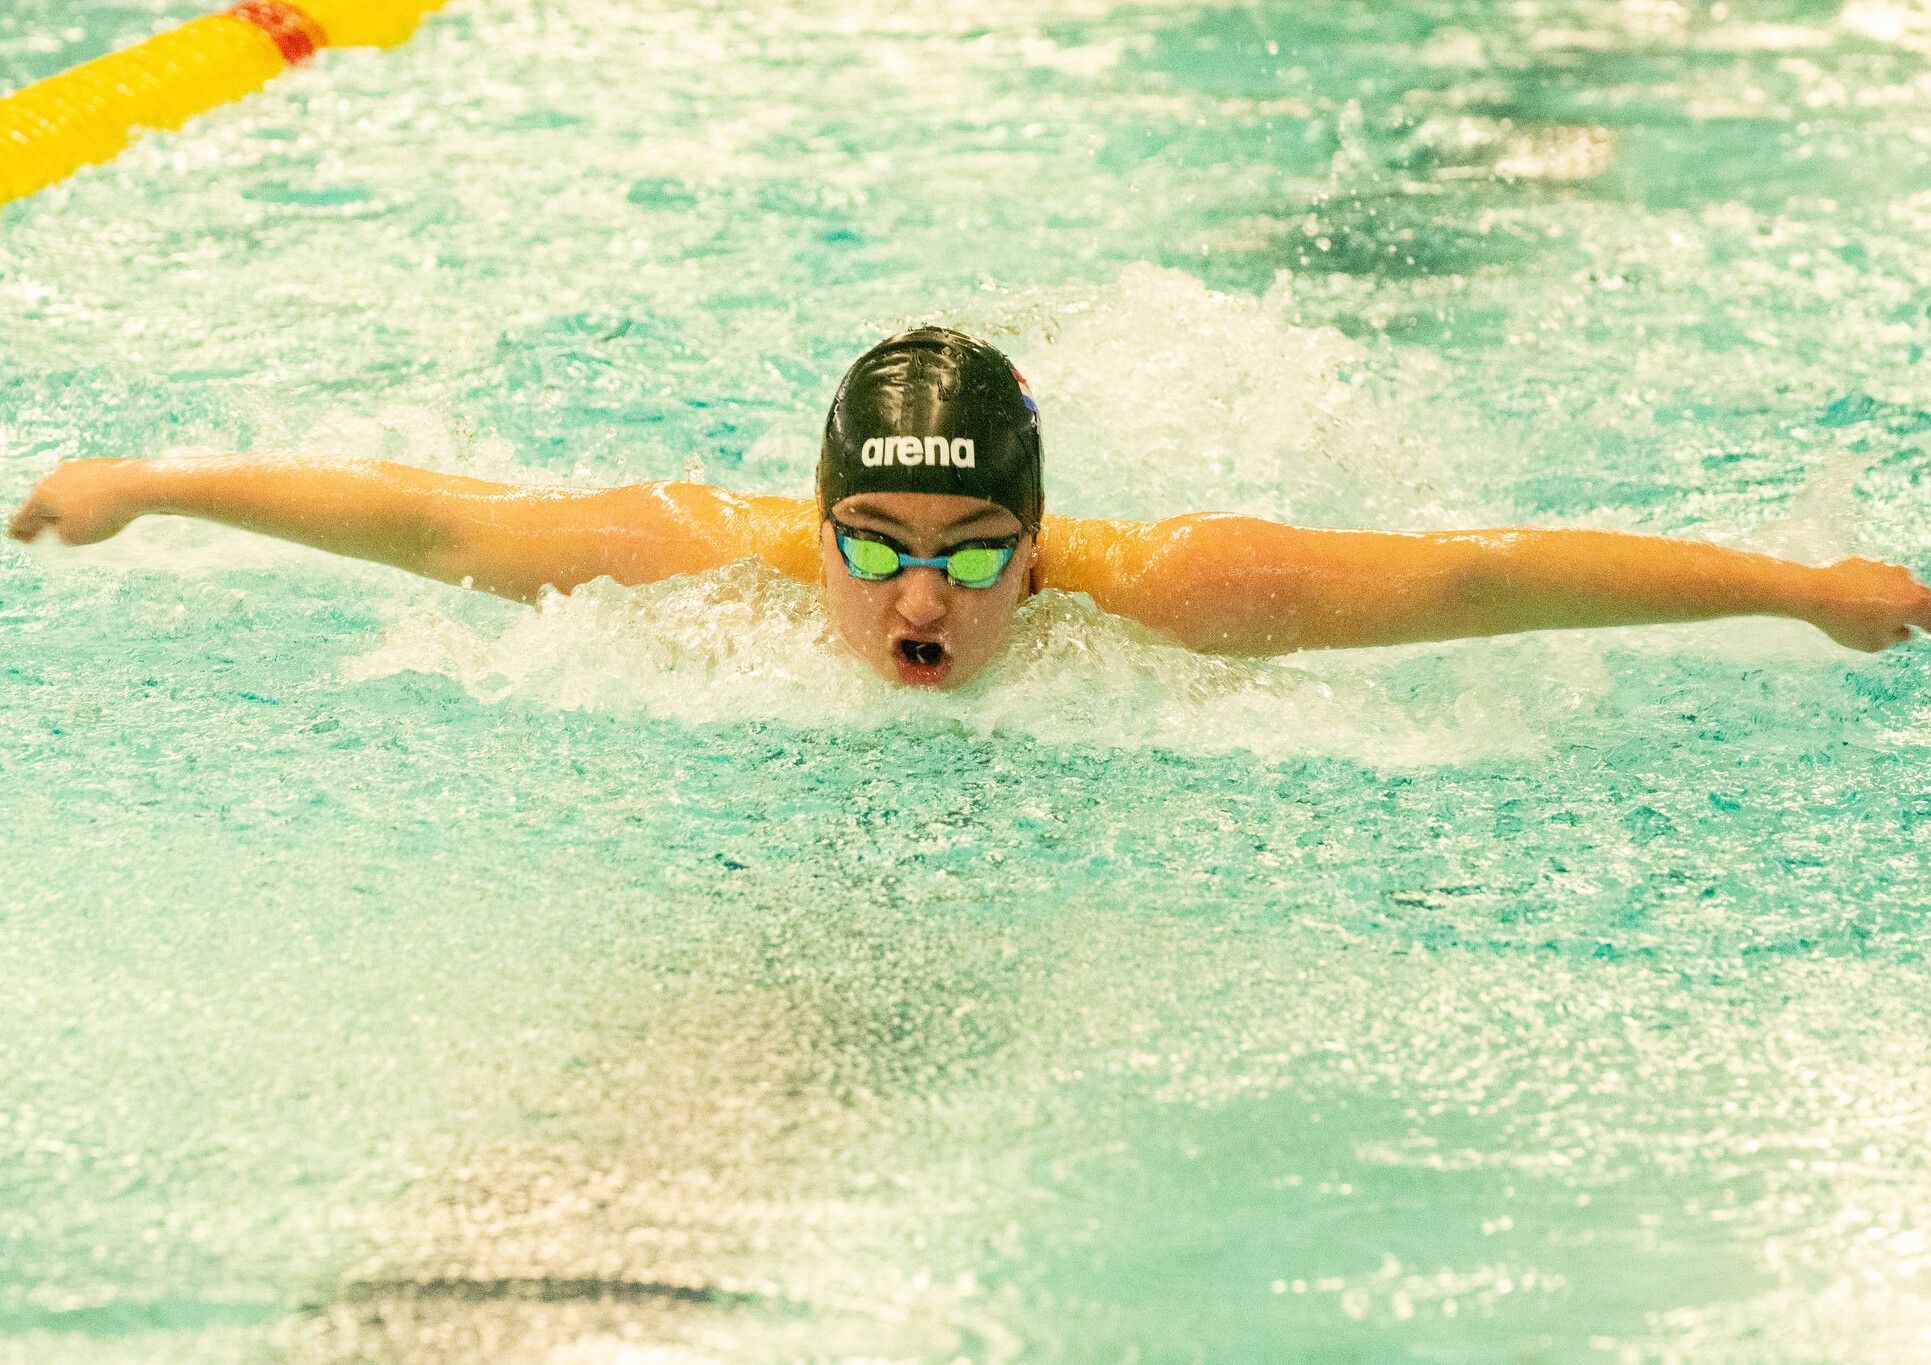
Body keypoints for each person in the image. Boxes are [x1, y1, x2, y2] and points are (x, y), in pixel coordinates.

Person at [9, 327, 1929, 689]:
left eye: (964, 559)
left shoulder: (1183, 594)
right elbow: (431, 522)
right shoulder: (701, 559)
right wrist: (149, 488)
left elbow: (1472, 577)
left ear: (1036, 541)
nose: (913, 602)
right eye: (871, 547)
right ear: (820, 516)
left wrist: (1802, 585)